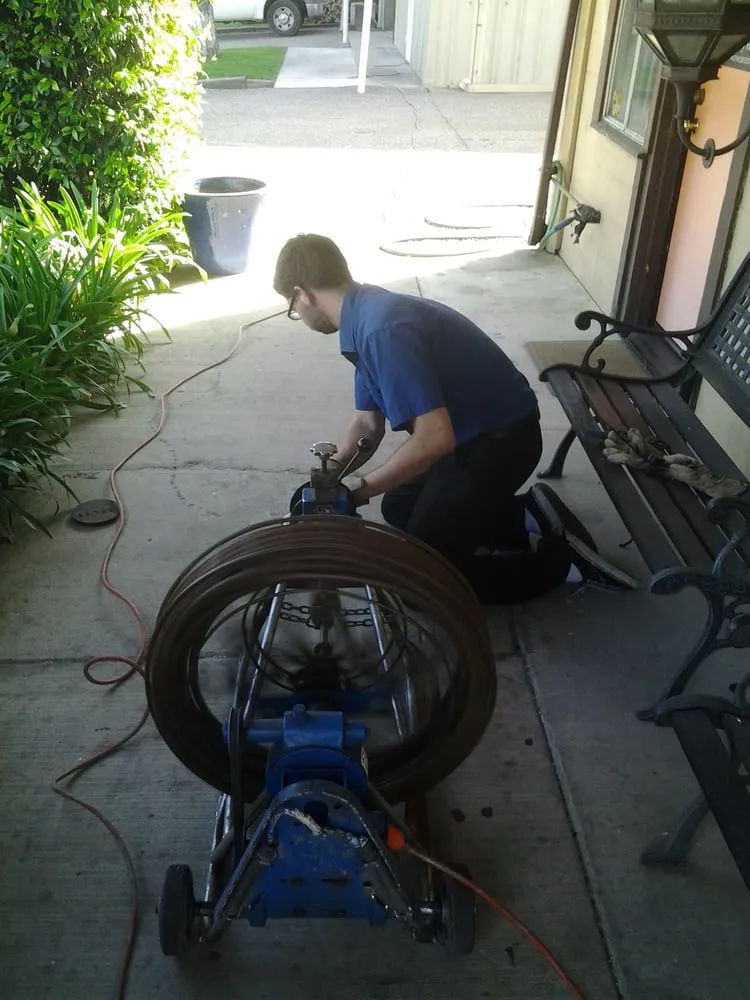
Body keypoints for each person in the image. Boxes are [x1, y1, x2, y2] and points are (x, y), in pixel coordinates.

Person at [273, 233, 638, 604]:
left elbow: (433, 439)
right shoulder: (366, 315)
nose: (298, 316)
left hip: (499, 444)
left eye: (292, 307)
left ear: (302, 293)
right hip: (479, 435)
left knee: (417, 583)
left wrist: (358, 489)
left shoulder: (383, 329)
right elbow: (368, 424)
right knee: (397, 506)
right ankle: (527, 515)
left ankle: (561, 565)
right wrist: (330, 475)